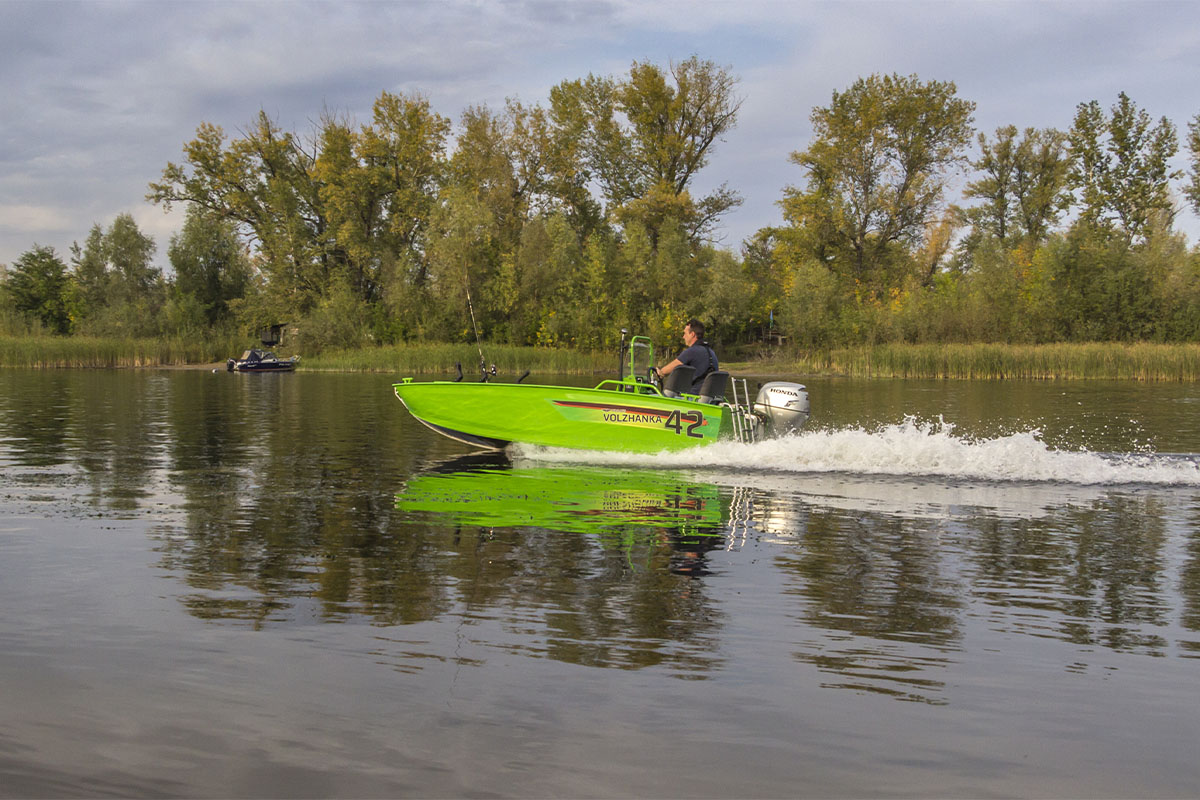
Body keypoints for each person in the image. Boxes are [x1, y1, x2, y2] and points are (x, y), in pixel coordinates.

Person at [655, 319, 717, 394]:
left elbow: (669, 369)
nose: (683, 336)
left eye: (685, 333)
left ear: (692, 334)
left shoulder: (692, 351)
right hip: (709, 396)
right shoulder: (711, 352)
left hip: (694, 396)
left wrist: (659, 372)